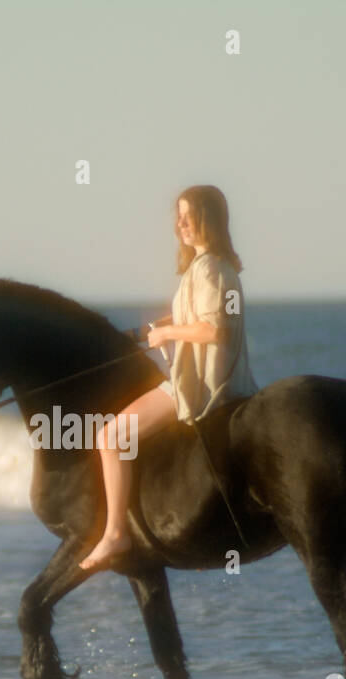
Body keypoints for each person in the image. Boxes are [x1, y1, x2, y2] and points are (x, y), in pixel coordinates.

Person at [79, 185, 259, 570]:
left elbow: (216, 331)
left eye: (188, 215)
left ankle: (115, 534)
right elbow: (204, 318)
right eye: (177, 216)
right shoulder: (211, 265)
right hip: (219, 378)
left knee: (110, 437)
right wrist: (164, 324)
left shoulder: (208, 268)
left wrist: (167, 335)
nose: (179, 224)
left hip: (202, 387)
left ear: (207, 219)